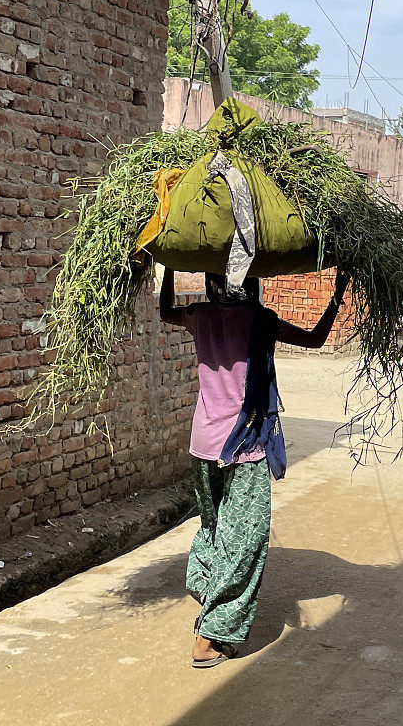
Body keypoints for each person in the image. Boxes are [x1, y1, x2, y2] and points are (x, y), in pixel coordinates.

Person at [159, 267, 350, 668]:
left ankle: (205, 586)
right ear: (250, 283)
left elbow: (164, 311)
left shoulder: (199, 316)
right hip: (243, 446)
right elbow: (315, 339)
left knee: (215, 527)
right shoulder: (259, 321)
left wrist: (171, 268)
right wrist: (337, 293)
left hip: (203, 444)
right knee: (247, 539)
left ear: (213, 284)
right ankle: (211, 634)